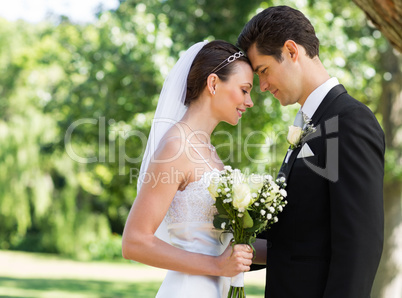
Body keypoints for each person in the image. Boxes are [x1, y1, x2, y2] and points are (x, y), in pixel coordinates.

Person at [237, 6, 385, 298]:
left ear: (291, 51)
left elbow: (360, 245)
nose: (263, 86)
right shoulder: (310, 122)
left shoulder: (349, 121)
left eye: (263, 71)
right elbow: (298, 234)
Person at [121, 40, 255, 297]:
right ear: (213, 84)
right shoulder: (175, 147)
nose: (249, 102)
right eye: (244, 90)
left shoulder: (209, 151)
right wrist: (217, 266)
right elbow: (134, 242)